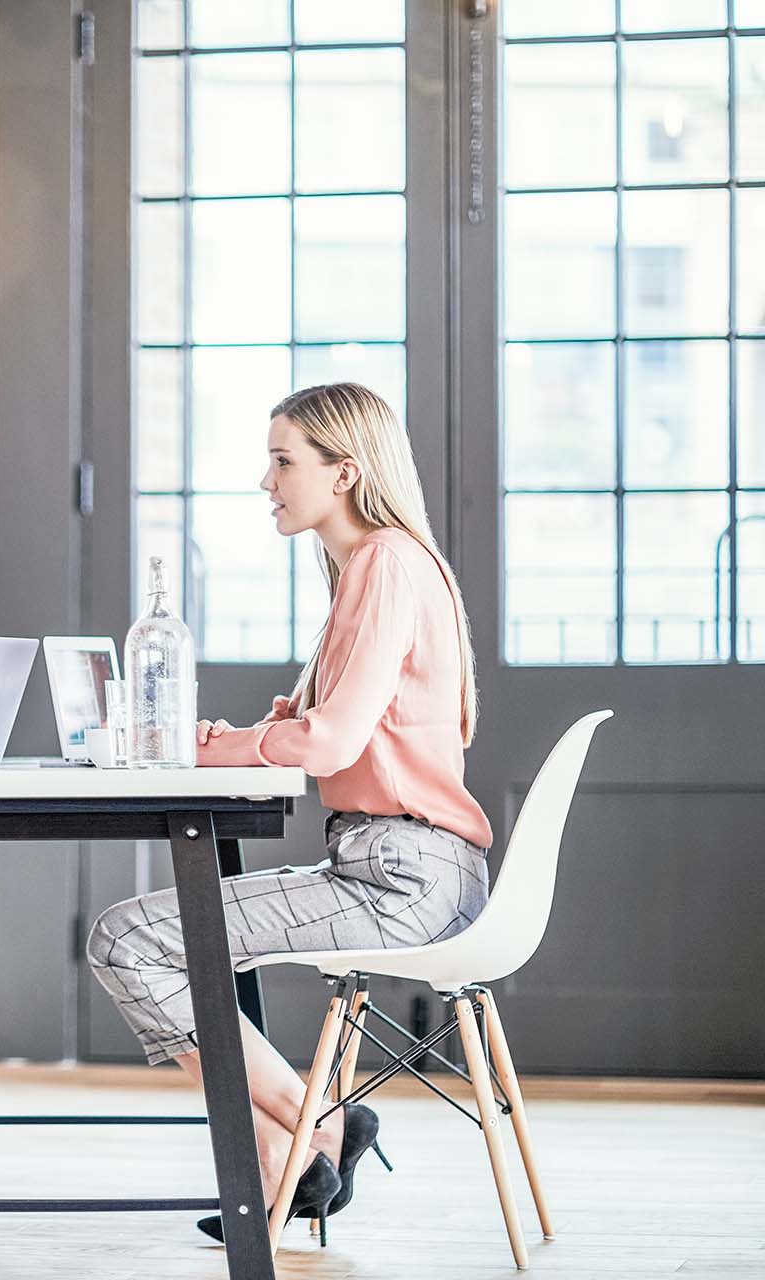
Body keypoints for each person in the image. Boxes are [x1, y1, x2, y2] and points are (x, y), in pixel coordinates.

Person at [86, 382, 495, 1241]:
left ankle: (317, 1131)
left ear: (344, 472)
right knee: (147, 936)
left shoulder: (385, 564)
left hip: (401, 875)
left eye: (283, 461)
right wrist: (240, 738)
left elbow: (330, 744)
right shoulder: (377, 567)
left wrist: (206, 750)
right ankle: (297, 1146)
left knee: (129, 939)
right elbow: (329, 731)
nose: (266, 480)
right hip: (398, 863)